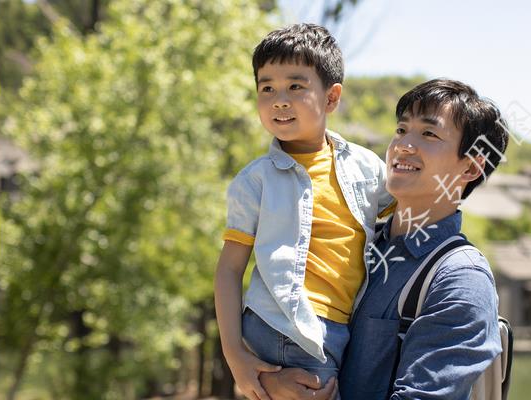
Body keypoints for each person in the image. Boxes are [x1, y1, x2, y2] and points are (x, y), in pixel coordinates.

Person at [260, 78, 508, 400]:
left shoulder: (460, 279)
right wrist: (269, 381)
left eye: (429, 134)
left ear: (471, 168)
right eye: (402, 130)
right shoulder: (354, 241)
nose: (403, 145)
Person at [214, 23, 394, 400]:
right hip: (286, 326)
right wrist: (236, 358)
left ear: (331, 98)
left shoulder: (366, 167)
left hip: (343, 325)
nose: (279, 99)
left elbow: (407, 220)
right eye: (267, 88)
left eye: (296, 86)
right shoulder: (255, 182)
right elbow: (229, 269)